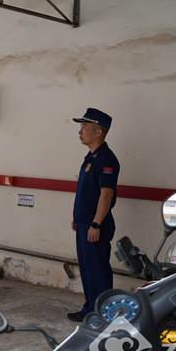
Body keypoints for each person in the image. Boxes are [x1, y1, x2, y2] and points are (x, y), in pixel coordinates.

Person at [68, 108, 120, 322]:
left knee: (97, 271)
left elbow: (106, 195)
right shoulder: (92, 157)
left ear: (99, 132)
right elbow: (88, 194)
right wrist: (78, 218)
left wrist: (96, 224)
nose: (80, 132)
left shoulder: (106, 159)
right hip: (85, 223)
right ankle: (90, 309)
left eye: (84, 127)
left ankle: (102, 313)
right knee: (88, 270)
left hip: (95, 226)